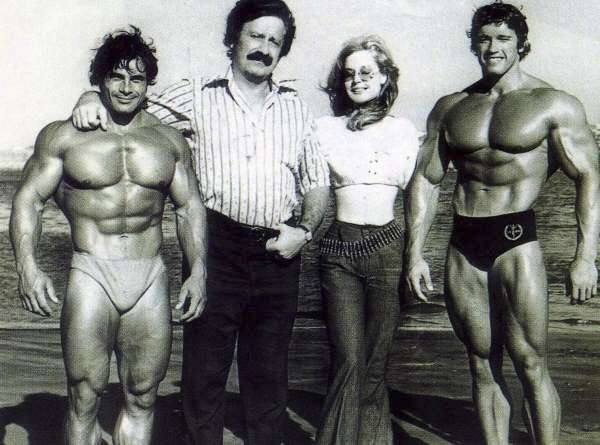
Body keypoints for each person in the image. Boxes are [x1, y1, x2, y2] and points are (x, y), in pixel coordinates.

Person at [71, 1, 330, 443]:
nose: (264, 48)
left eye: (275, 41)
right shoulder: (196, 94)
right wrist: (90, 96)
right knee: (205, 373)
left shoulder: (297, 107)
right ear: (234, 39)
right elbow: (129, 101)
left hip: (279, 253)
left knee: (269, 373)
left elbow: (317, 181)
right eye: (256, 35)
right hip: (218, 244)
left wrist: (304, 231)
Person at [405, 3, 600, 444]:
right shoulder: (451, 107)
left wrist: (585, 257)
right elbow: (426, 180)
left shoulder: (553, 104)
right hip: (463, 242)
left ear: (521, 46)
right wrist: (414, 255)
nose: (492, 47)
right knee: (480, 362)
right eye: (484, 38)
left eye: (503, 39)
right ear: (474, 43)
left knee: (530, 362)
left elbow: (589, 177)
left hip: (516, 240)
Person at [10, 27, 207, 445]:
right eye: (116, 76)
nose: (126, 87)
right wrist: (28, 268)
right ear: (99, 78)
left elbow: (189, 206)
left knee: (142, 395)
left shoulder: (168, 141)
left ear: (149, 84)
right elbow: (29, 200)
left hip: (150, 276)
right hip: (91, 273)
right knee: (84, 395)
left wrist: (199, 271)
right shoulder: (64, 136)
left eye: (137, 78)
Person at [315, 35, 421, 444]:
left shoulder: (403, 131)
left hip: (387, 248)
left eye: (366, 72)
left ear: (384, 78)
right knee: (348, 360)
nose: (357, 80)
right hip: (338, 250)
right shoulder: (325, 129)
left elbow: (420, 195)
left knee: (375, 364)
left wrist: (416, 255)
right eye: (349, 74)